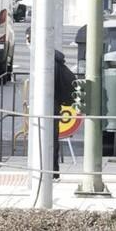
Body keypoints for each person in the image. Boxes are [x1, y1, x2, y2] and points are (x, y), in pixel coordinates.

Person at [52, 49, 77, 180]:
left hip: (49, 107)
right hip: (56, 106)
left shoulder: (48, 63)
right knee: (53, 141)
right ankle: (53, 172)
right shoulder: (58, 62)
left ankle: (50, 172)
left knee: (48, 141)